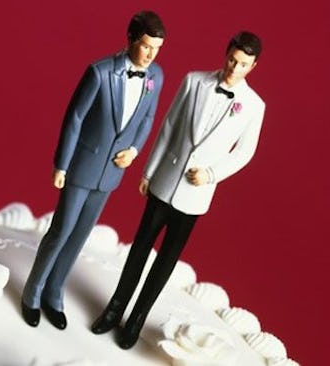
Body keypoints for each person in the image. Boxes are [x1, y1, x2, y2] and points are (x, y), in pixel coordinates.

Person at [91, 31, 265, 349]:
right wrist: (149, 170)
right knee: (139, 249)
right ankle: (114, 309)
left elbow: (244, 153)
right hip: (165, 179)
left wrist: (212, 174)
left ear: (252, 66)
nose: (234, 68)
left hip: (195, 194)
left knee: (165, 262)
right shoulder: (193, 81)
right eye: (231, 59)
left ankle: (136, 320)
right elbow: (169, 126)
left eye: (242, 64)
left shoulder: (254, 106)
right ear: (225, 53)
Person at [21, 11, 166, 330]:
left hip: (111, 174)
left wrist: (135, 150)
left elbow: (146, 120)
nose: (151, 54)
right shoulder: (100, 73)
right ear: (130, 40)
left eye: (157, 48)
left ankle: (54, 293)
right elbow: (74, 119)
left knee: (81, 235)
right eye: (146, 46)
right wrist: (61, 164)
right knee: (61, 231)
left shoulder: (156, 77)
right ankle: (33, 292)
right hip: (81, 166)